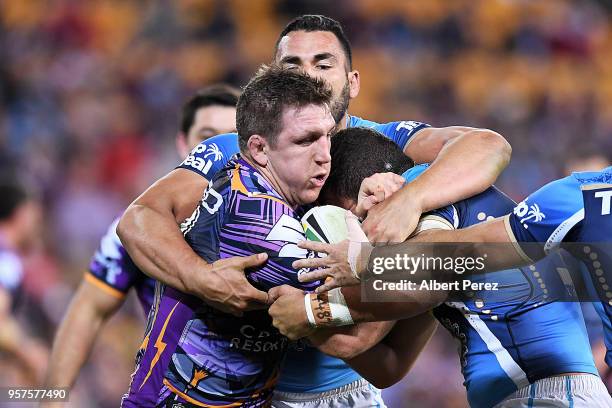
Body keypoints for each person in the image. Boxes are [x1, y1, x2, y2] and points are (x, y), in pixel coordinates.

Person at [117, 14, 511, 408]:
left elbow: (488, 147)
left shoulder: (384, 145)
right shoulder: (235, 149)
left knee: (445, 203)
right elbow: (140, 218)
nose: (310, 75)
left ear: (353, 81)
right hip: (246, 392)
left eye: (323, 64)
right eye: (294, 65)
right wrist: (201, 278)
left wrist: (411, 201)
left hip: (346, 391)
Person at [269, 128, 608, 407]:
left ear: (371, 191)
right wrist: (308, 320)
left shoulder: (422, 187)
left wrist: (312, 310)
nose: (350, 238)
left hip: (542, 393)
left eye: (345, 222)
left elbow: (425, 284)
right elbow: (388, 363)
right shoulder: (434, 228)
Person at [122, 66, 342, 407]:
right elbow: (364, 311)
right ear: (259, 149)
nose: (325, 155)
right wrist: (444, 261)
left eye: (328, 136)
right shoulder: (265, 232)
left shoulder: (231, 168)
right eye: (305, 140)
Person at [44, 84, 241, 392]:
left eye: (232, 138)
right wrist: (52, 397)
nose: (222, 152)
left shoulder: (279, 220)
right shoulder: (138, 228)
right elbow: (88, 309)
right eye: (208, 138)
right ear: (183, 146)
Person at [0, 179, 46, 385]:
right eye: (35, 218)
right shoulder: (6, 258)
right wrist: (28, 353)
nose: (39, 226)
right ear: (22, 215)